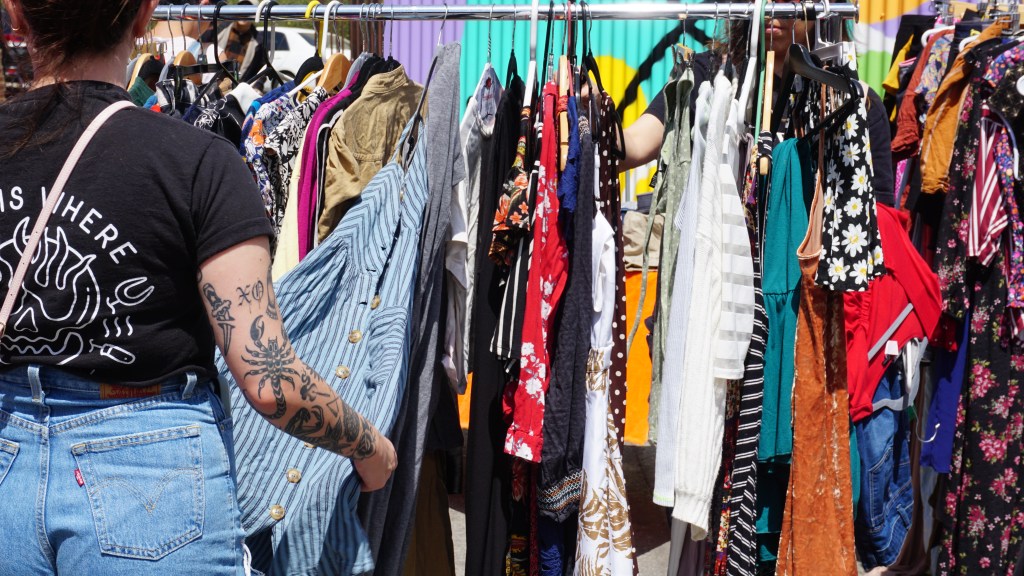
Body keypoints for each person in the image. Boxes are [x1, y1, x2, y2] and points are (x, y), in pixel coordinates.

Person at [0, 1, 395, 574]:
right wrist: (371, 449)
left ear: (17, 15)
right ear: (142, 16)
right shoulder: (196, 162)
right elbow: (269, 379)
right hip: (149, 478)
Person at [621, 6, 895, 207]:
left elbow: (878, 218)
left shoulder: (855, 104)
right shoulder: (709, 76)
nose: (774, 6)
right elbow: (635, 145)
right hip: (720, 276)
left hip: (814, 280)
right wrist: (590, 118)